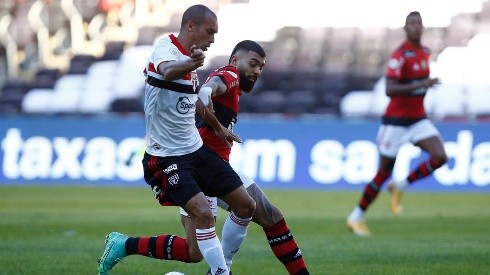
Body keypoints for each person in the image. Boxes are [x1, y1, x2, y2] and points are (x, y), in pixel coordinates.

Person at [97, 5, 256, 275]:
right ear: (191, 26)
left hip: (197, 150)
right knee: (204, 214)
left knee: (243, 207)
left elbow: (195, 105)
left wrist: (218, 127)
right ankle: (222, 273)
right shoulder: (166, 48)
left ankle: (123, 244)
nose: (213, 39)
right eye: (210, 32)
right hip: (167, 157)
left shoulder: (191, 64)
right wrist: (190, 64)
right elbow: (167, 70)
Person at [181, 40, 309, 274]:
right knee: (252, 211)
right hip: (202, 170)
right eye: (253, 64)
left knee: (270, 216)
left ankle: (123, 244)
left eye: (261, 67)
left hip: (213, 168)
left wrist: (214, 118)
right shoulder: (230, 74)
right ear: (234, 60)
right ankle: (222, 269)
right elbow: (212, 87)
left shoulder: (234, 88)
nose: (257, 71)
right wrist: (211, 105)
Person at [346, 11, 448, 236]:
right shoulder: (399, 56)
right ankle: (356, 216)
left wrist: (422, 84)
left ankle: (401, 185)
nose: (415, 27)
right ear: (405, 28)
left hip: (418, 119)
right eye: (411, 23)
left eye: (419, 23)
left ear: (423, 27)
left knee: (441, 156)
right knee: (383, 172)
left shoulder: (425, 52)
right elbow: (390, 89)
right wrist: (423, 83)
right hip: (395, 123)